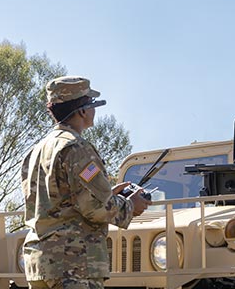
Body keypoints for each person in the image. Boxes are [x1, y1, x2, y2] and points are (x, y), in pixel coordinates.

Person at [22, 76, 151, 289]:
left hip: (39, 262)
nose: (94, 111)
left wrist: (109, 194)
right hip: (73, 264)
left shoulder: (35, 151)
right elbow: (95, 206)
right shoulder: (76, 149)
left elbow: (58, 200)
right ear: (82, 110)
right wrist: (130, 206)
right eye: (92, 105)